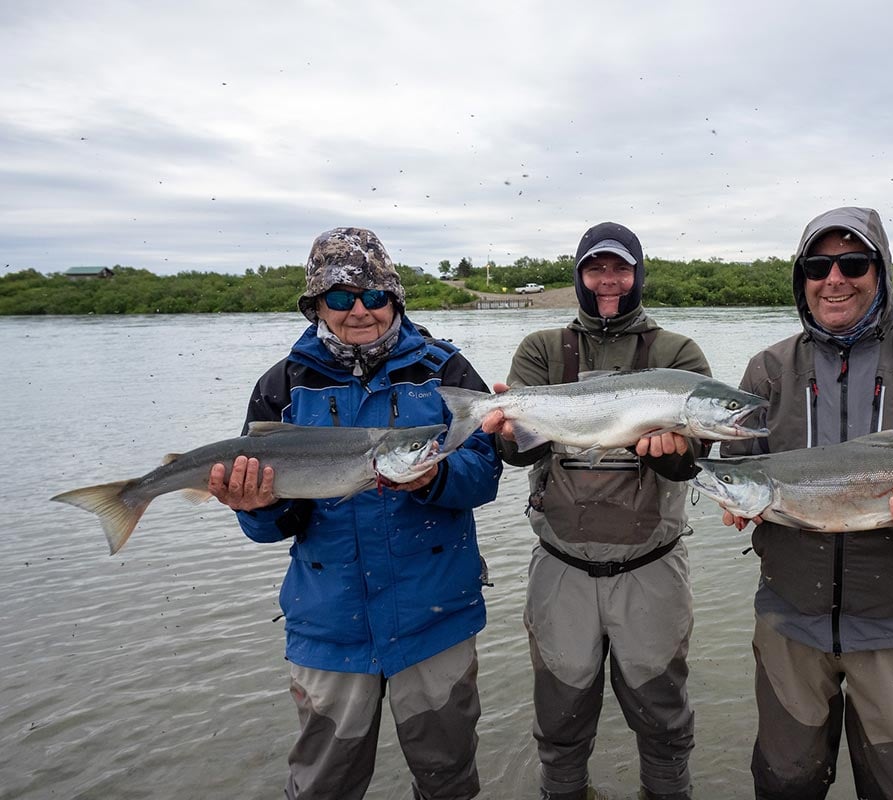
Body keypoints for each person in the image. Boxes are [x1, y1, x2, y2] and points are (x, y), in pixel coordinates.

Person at [207, 227, 501, 800]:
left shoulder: (447, 372)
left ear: (396, 298)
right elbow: (266, 527)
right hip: (329, 626)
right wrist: (256, 506)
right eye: (340, 299)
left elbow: (484, 475)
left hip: (435, 618)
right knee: (324, 786)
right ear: (317, 304)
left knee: (449, 780)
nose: (359, 311)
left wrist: (436, 475)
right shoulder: (283, 385)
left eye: (373, 296)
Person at [720, 207, 893, 800]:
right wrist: (736, 501)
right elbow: (735, 467)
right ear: (802, 278)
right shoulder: (767, 371)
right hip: (790, 624)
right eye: (818, 265)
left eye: (853, 262)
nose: (834, 278)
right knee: (785, 784)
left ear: (881, 272)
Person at [480, 222, 707, 800]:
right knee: (560, 720)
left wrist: (677, 451)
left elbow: (698, 461)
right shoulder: (541, 348)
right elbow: (515, 452)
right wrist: (508, 432)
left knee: (663, 720)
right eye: (596, 268)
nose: (609, 280)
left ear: (638, 275)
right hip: (562, 567)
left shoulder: (676, 354)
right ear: (579, 275)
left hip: (651, 565)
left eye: (621, 268)